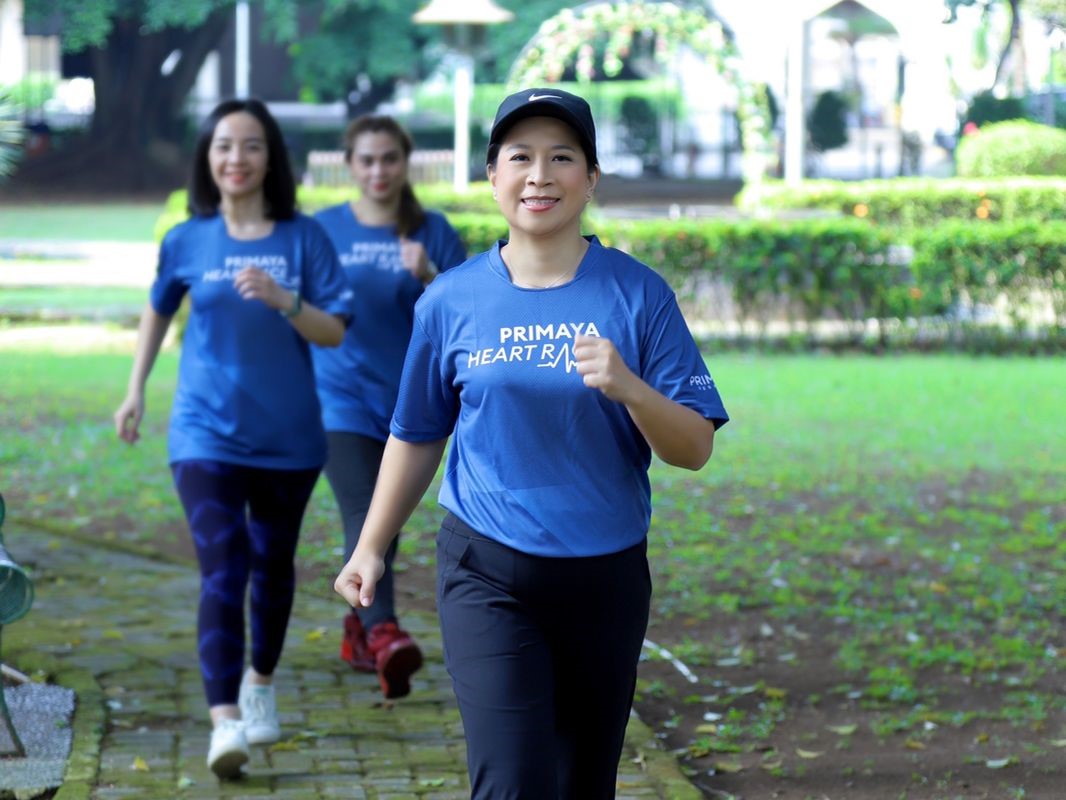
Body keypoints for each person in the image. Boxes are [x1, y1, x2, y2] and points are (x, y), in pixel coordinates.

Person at [334, 87, 729, 799]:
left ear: (591, 177)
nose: (540, 175)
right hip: (487, 571)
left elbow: (694, 446)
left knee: (582, 784)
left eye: (562, 157)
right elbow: (417, 432)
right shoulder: (450, 300)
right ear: (493, 176)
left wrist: (630, 387)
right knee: (512, 784)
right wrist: (370, 546)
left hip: (605, 578)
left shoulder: (638, 294)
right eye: (521, 157)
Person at [113, 98, 353, 780]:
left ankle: (261, 681)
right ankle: (224, 723)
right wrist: (135, 391)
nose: (236, 159)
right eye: (224, 146)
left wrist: (286, 301)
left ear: (270, 158)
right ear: (208, 158)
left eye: (251, 146)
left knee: (273, 566)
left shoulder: (304, 238)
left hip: (290, 439)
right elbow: (157, 312)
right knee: (224, 571)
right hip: (203, 433)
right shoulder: (187, 239)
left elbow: (335, 329)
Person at [312, 115, 466, 699]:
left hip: (410, 403)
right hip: (338, 399)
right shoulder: (322, 231)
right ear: (350, 165)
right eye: (367, 160)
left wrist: (426, 273)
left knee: (388, 516)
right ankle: (386, 636)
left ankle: (358, 627)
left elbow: (469, 315)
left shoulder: (434, 231)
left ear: (405, 164)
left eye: (389, 160)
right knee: (364, 510)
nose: (379, 171)